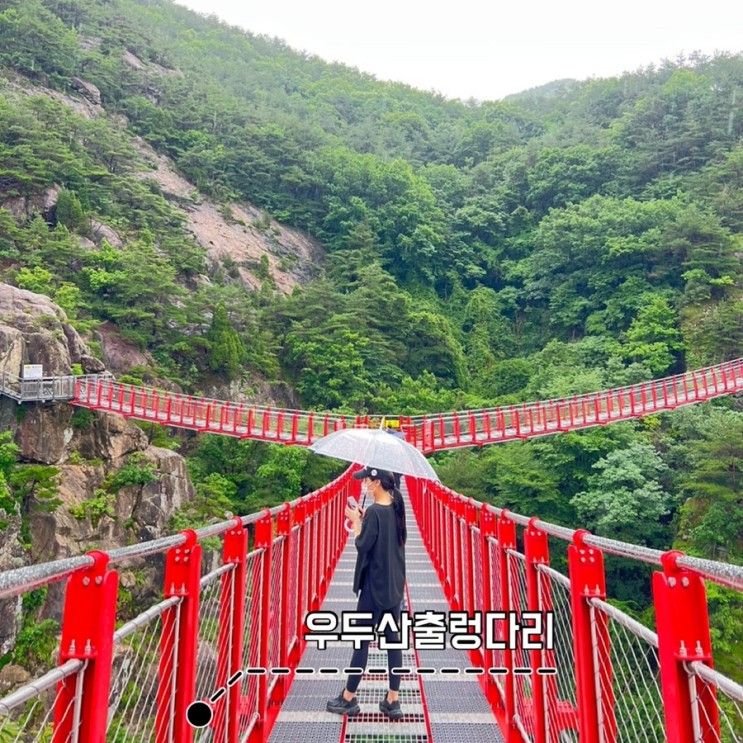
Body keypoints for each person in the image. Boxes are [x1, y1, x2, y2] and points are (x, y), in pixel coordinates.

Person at [326, 466, 407, 720]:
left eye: (366, 480)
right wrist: (364, 519)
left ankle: (348, 698)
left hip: (374, 587)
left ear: (376, 482)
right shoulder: (396, 504)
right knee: (393, 641)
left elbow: (363, 545)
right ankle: (393, 700)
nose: (363, 484)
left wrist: (358, 522)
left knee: (361, 641)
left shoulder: (373, 512)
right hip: (395, 585)